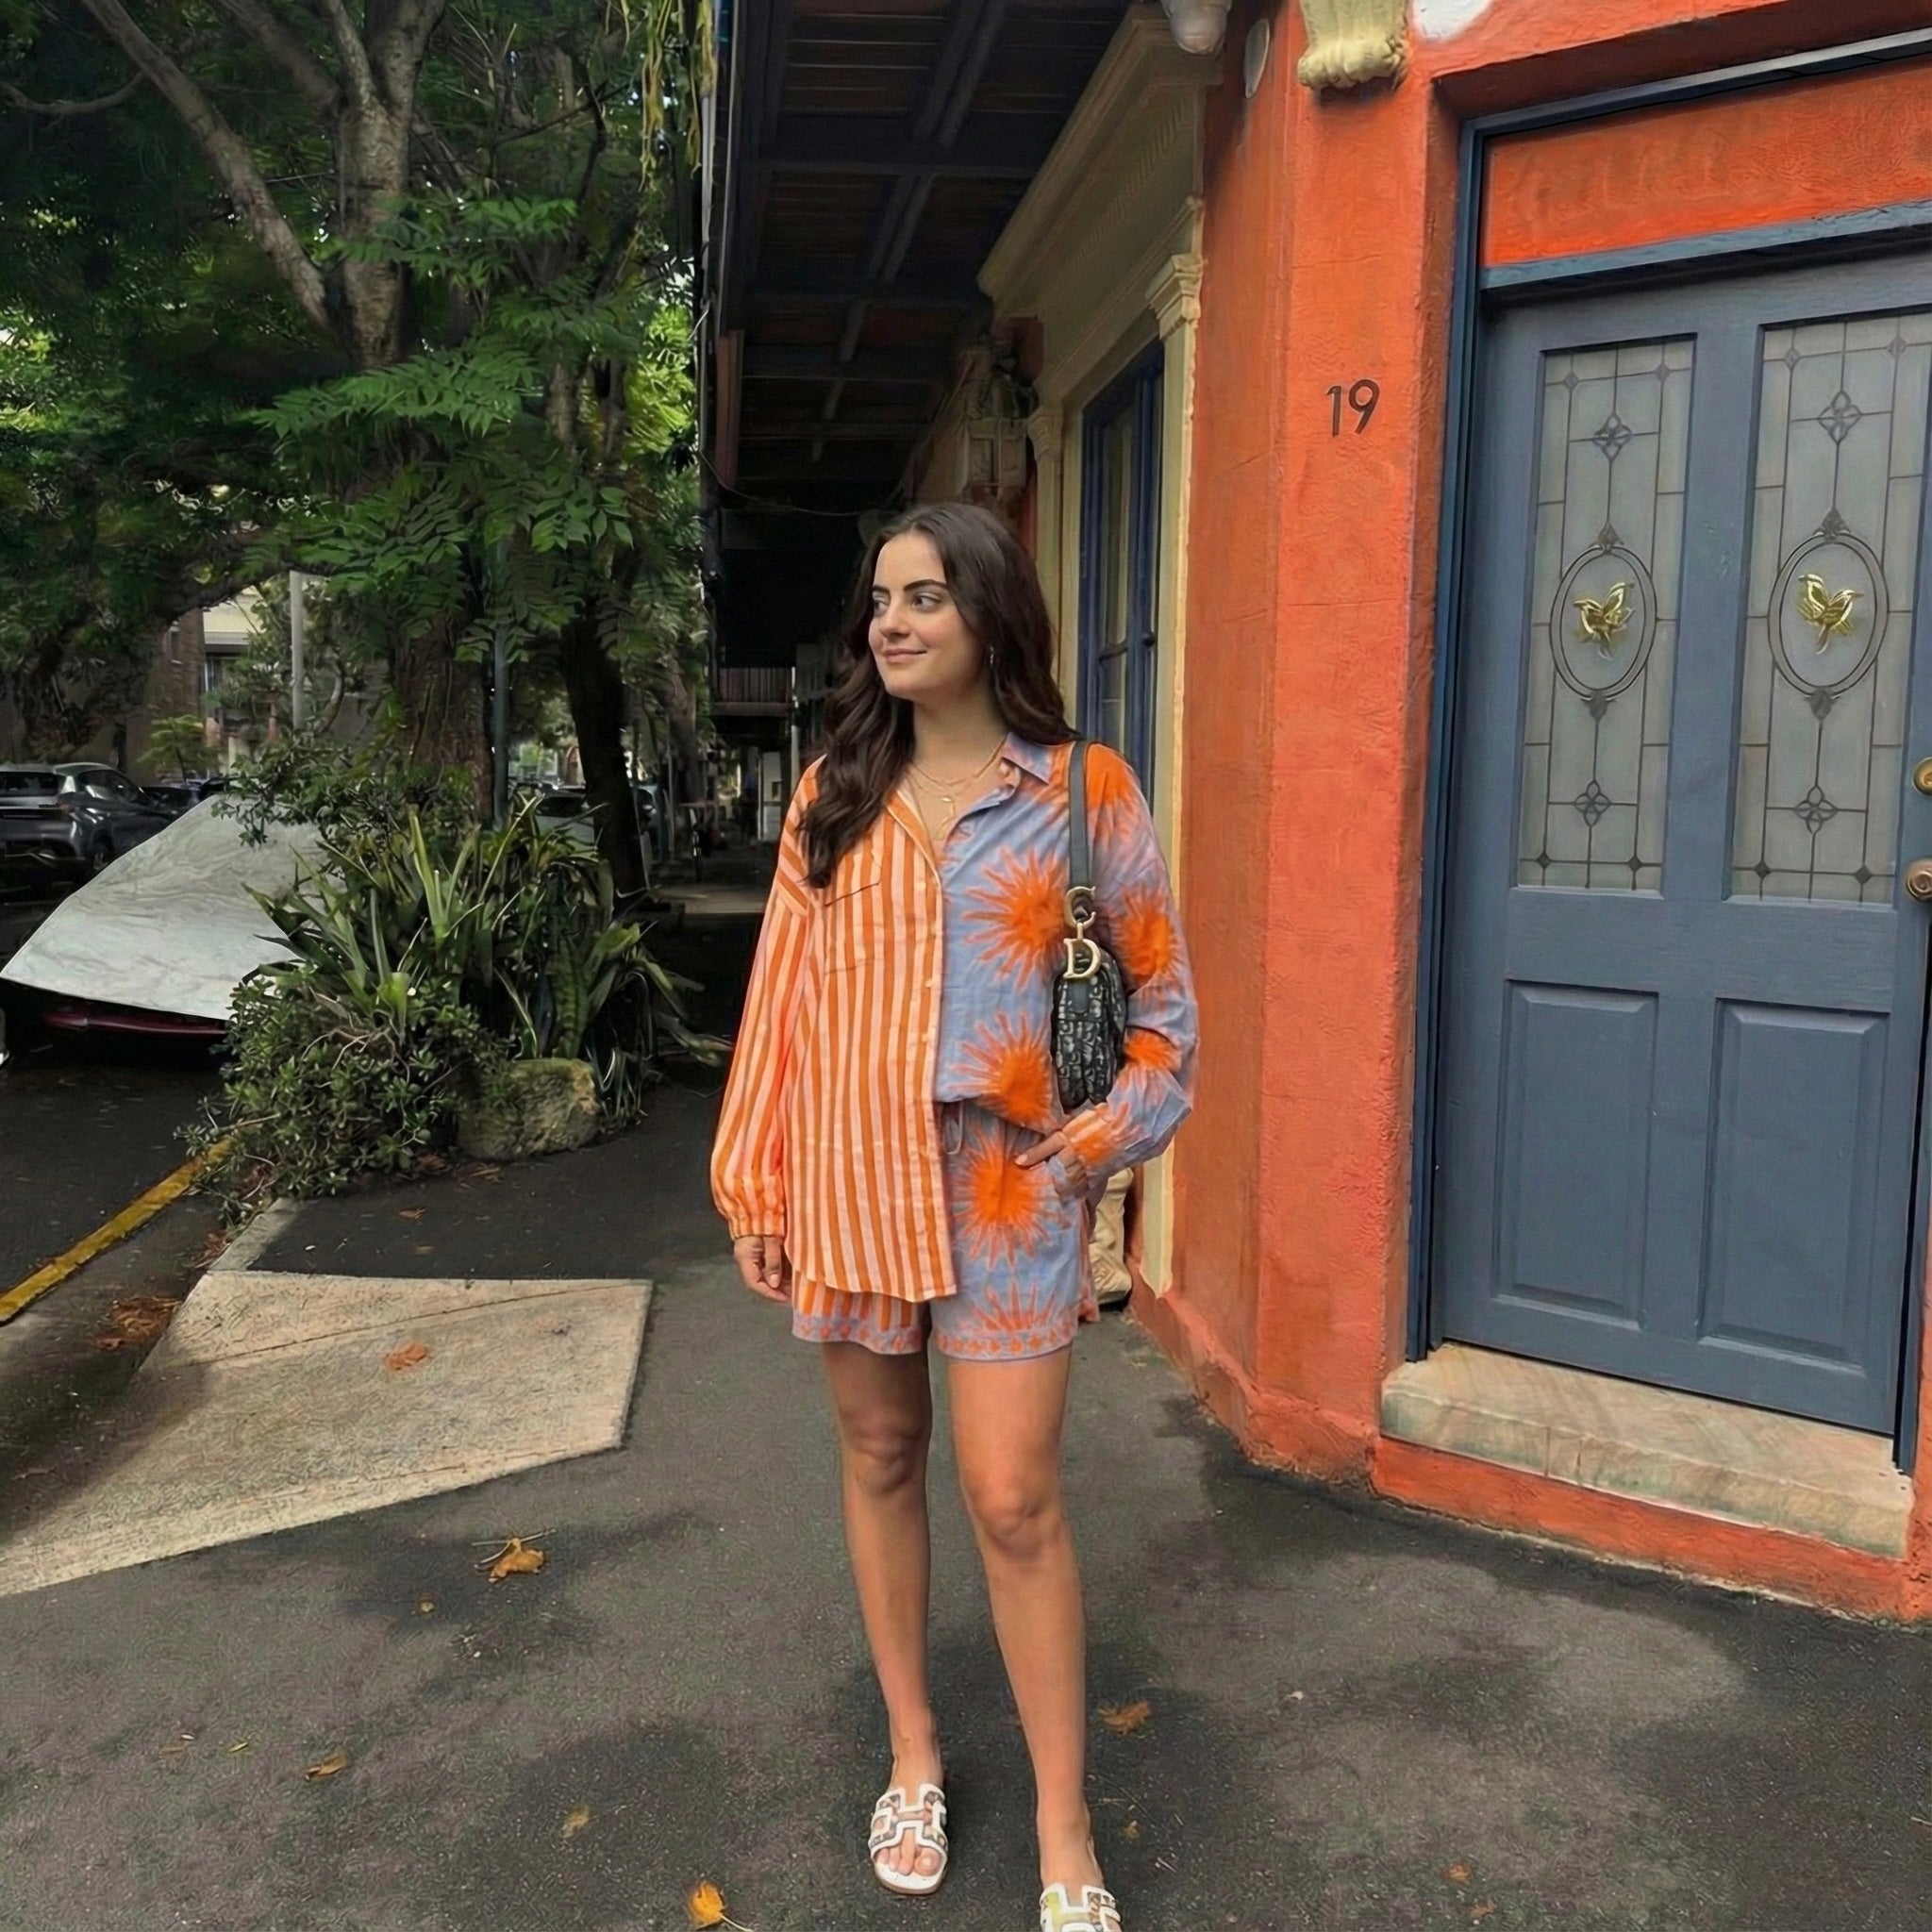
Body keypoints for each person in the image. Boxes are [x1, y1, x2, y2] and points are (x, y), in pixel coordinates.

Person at [710, 501, 1197, 1932]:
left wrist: (1102, 1136)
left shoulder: (1085, 792)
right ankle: (914, 1756)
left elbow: (1163, 1011)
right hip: (849, 1169)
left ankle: (1064, 1823)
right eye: (881, 601)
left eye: (925, 596)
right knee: (879, 1454)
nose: (893, 623)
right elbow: (780, 1004)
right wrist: (754, 1177)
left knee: (1012, 1496)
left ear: (991, 611)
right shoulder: (834, 795)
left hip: (1008, 1185)